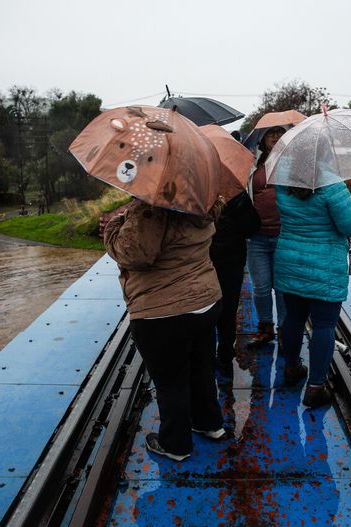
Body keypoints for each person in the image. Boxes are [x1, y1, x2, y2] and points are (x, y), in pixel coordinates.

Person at [104, 198, 226, 462]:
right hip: (205, 301)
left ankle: (175, 445)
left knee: (171, 382)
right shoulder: (202, 200)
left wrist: (113, 226)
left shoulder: (151, 207)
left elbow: (135, 254)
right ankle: (210, 423)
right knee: (202, 368)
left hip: (162, 311)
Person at [275, 176, 351, 408]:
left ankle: (292, 368)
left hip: (290, 261)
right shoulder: (332, 184)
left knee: (294, 318)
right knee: (324, 325)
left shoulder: (283, 183)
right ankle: (315, 388)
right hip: (325, 267)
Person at [210, 192, 261, 377]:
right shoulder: (235, 192)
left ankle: (205, 357)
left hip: (200, 260)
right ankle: (224, 355)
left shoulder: (190, 189)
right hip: (230, 260)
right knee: (228, 309)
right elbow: (251, 227)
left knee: (202, 309)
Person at [247, 126, 287, 348]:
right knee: (261, 287)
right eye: (271, 133)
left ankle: (284, 330)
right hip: (257, 237)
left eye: (280, 133)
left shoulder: (292, 162)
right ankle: (265, 328)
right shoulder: (253, 164)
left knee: (282, 288)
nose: (275, 136)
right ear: (262, 139)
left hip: (284, 235)